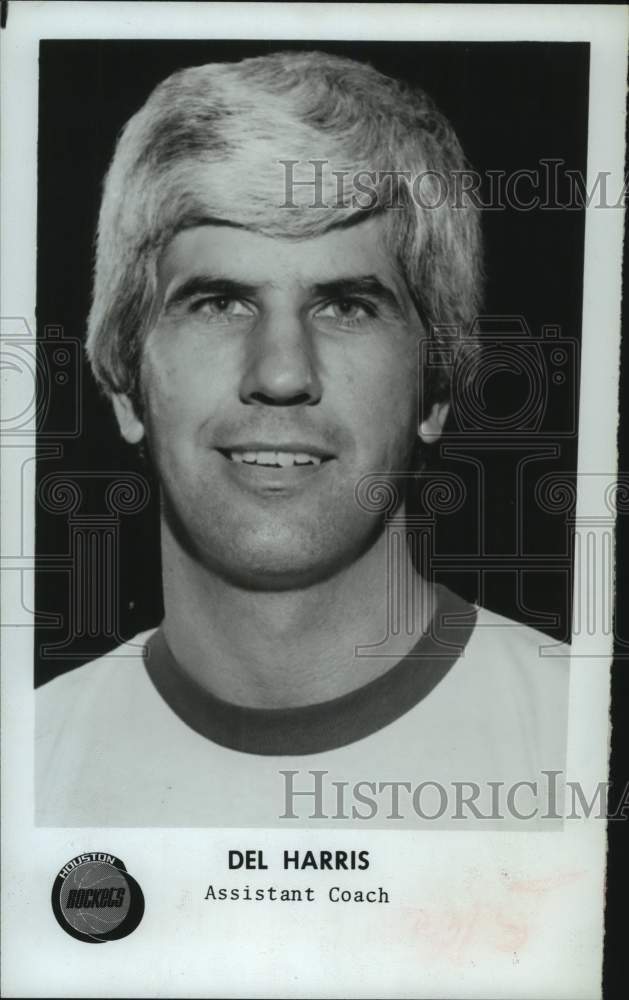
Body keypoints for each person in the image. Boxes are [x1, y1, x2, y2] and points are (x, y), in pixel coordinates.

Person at [36, 51, 569, 827]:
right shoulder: (29, 768)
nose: (282, 373)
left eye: (346, 306)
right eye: (219, 303)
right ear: (124, 383)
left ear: (438, 386)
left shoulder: (581, 741)